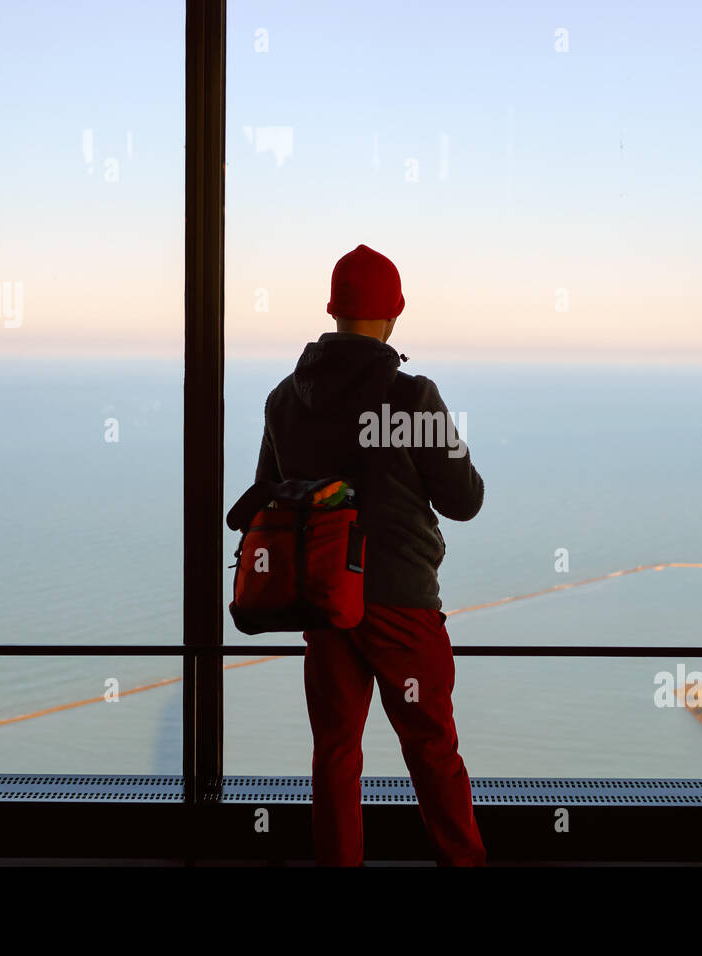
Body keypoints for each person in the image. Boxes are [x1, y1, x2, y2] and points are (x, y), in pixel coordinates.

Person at [254, 243, 487, 866]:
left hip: (326, 601)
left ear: (331, 309)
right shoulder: (413, 398)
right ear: (397, 311)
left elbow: (269, 497)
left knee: (334, 750)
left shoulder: (284, 399)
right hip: (401, 603)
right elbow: (465, 500)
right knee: (431, 746)